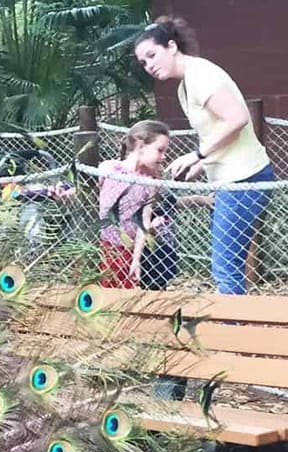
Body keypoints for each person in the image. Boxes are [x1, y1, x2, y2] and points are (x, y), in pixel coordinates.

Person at [135, 17, 275, 295]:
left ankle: (234, 331)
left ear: (172, 46)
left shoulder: (200, 74)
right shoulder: (184, 86)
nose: (149, 65)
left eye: (152, 55)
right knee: (227, 264)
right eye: (143, 62)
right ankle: (237, 327)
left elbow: (236, 118)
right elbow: (220, 129)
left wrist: (197, 154)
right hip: (229, 182)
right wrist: (202, 163)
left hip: (244, 180)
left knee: (225, 267)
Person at [98, 120, 171, 289]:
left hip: (127, 250)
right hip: (103, 245)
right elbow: (91, 197)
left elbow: (143, 223)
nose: (164, 156)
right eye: (160, 150)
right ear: (140, 146)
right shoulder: (109, 169)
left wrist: (136, 260)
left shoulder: (150, 183)